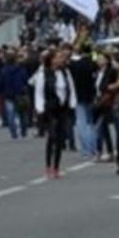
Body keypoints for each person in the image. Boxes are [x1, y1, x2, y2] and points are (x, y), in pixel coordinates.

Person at [32, 48, 76, 179]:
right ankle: (48, 166)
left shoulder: (65, 72)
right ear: (51, 60)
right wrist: (39, 108)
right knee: (52, 136)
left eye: (61, 58)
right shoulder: (43, 74)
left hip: (62, 108)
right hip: (49, 108)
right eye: (57, 57)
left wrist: (72, 103)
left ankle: (56, 167)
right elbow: (39, 93)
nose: (61, 60)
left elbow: (71, 88)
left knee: (60, 138)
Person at [92, 52, 117, 163]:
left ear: (107, 60)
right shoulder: (98, 73)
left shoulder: (111, 72)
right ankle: (110, 152)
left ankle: (99, 152)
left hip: (107, 102)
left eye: (101, 58)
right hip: (98, 102)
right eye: (98, 59)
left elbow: (112, 87)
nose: (98, 61)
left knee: (100, 127)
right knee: (104, 130)